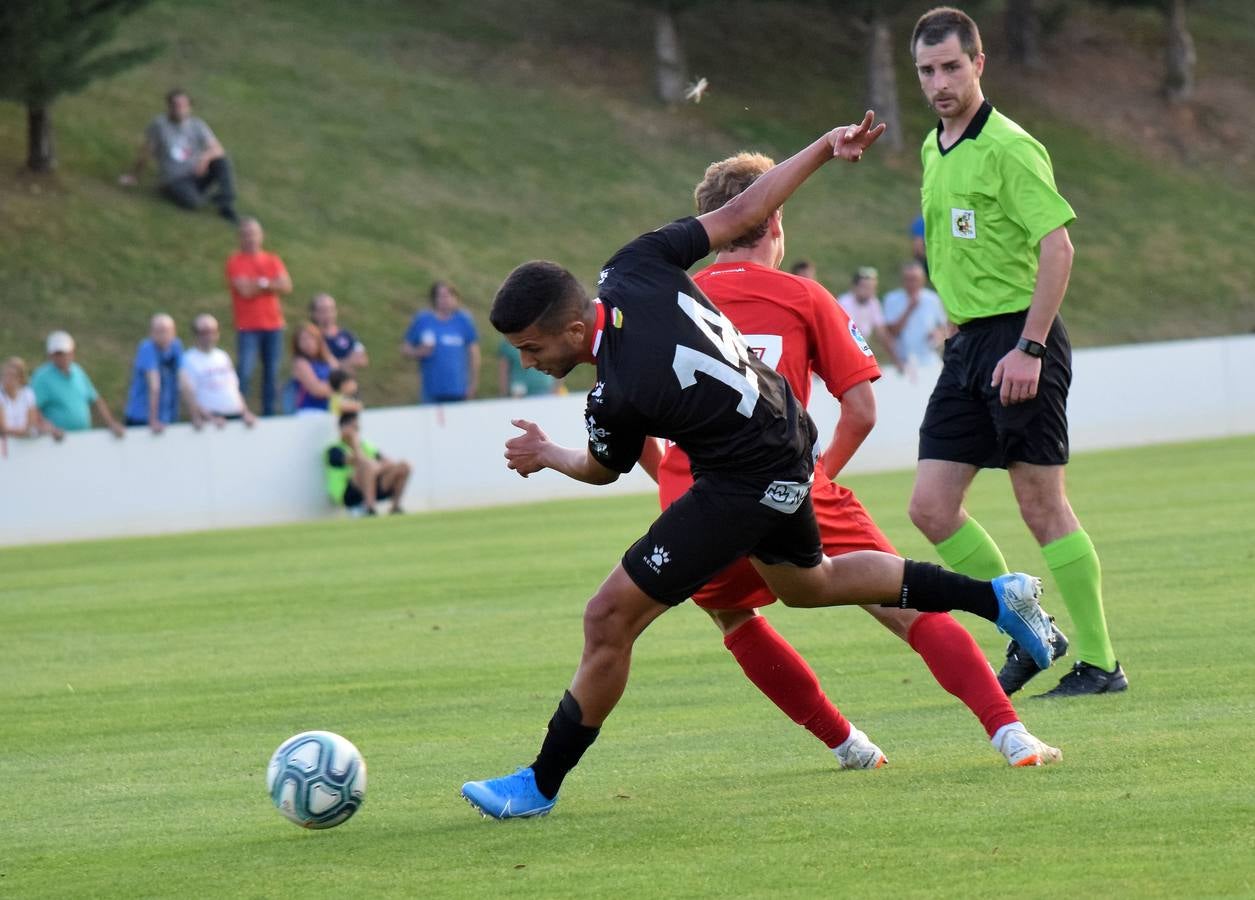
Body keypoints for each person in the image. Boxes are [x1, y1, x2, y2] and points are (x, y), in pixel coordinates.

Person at [460, 111, 1058, 820]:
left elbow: (601, 468)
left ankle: (539, 783)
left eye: (531, 349)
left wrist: (544, 456)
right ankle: (998, 596)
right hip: (787, 442)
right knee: (812, 585)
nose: (530, 364)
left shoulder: (617, 392)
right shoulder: (633, 264)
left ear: (568, 328)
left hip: (737, 481)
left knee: (608, 617)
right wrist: (824, 149)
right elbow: (744, 208)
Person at [640, 150, 1055, 770]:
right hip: (790, 483)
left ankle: (849, 745)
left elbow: (641, 421)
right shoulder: (803, 296)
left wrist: (674, 480)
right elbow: (860, 410)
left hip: (697, 494)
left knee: (733, 615)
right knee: (904, 599)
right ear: (774, 220)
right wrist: (812, 478)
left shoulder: (666, 303)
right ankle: (1010, 733)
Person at [908, 7, 1125, 697]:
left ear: (978, 64)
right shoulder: (930, 146)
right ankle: (1029, 628)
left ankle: (1099, 662)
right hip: (968, 344)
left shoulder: (1008, 144)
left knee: (1040, 504)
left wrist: (1029, 345)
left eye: (950, 66)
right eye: (925, 70)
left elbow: (1056, 245)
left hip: (1020, 340)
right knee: (930, 508)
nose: (939, 82)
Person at [118, 88, 237, 223]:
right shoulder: (159, 125)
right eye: (175, 105)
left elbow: (218, 149)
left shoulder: (197, 125)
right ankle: (193, 195)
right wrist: (134, 176)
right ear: (169, 106)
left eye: (183, 105)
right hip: (176, 179)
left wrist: (205, 158)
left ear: (189, 107)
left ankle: (226, 204)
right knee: (194, 203)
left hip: (196, 173)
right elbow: (146, 153)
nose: (179, 109)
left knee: (222, 161)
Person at [226, 217, 292, 416]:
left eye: (254, 233)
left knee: (271, 374)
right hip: (248, 326)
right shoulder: (235, 262)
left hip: (273, 325)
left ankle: (269, 414)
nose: (251, 238)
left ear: (261, 236)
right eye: (246, 234)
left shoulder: (272, 259)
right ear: (240, 238)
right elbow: (244, 290)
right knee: (245, 372)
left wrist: (259, 284)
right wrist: (269, 284)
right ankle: (238, 412)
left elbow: (287, 286)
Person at [31, 332, 125, 437]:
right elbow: (32, 408)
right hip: (55, 441)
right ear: (50, 356)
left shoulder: (78, 371)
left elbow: (96, 400)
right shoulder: (42, 377)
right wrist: (48, 427)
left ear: (72, 353)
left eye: (64, 353)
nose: (62, 357)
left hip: (82, 437)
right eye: (58, 354)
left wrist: (111, 423)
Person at [402, 281, 480, 403]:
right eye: (441, 296)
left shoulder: (463, 320)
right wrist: (419, 352)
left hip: (459, 389)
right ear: (434, 299)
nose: (446, 299)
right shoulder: (423, 320)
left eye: (449, 295)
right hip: (431, 391)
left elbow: (474, 353)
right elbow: (405, 348)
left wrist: (473, 383)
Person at [325, 411, 411, 515]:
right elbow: (360, 462)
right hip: (348, 493)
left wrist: (376, 467)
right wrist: (354, 443)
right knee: (367, 466)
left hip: (373, 485)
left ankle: (395, 507)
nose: (356, 432)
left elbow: (389, 463)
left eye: (357, 428)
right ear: (343, 429)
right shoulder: (334, 449)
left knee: (404, 466)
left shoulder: (366, 445)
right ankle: (370, 509)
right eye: (353, 428)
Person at [179, 314, 256, 428]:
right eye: (204, 332)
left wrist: (245, 412)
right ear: (196, 334)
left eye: (213, 331)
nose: (209, 336)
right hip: (211, 420)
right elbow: (188, 394)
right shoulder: (188, 359)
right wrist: (209, 418)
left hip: (235, 415)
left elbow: (233, 387)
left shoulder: (222, 356)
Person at [882, 260, 948, 371]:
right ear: (903, 280)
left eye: (915, 279)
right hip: (902, 361)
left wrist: (938, 335)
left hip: (929, 360)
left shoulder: (932, 299)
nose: (912, 283)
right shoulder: (892, 299)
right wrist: (909, 309)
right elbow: (891, 332)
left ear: (922, 280)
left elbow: (944, 327)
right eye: (908, 279)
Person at [123, 314, 184, 433]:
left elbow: (184, 381)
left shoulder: (176, 347)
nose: (163, 335)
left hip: (168, 417)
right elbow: (154, 385)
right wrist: (153, 420)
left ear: (174, 332)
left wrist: (196, 415)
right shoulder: (147, 348)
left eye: (166, 331)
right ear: (151, 333)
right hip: (141, 418)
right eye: (158, 331)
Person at [837, 266, 904, 371]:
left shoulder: (873, 302)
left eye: (872, 288)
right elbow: (848, 335)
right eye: (865, 287)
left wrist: (897, 361)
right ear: (854, 287)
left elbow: (882, 333)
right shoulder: (844, 303)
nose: (869, 291)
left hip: (859, 352)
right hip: (843, 352)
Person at [1, 357, 62, 440]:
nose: (8, 379)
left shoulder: (27, 394)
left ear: (19, 378)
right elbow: (3, 428)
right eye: (5, 375)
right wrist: (24, 432)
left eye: (12, 376)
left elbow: (31, 422)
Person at [310, 293, 369, 373]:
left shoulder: (347, 334)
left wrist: (338, 364)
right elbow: (320, 367)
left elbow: (363, 360)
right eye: (323, 310)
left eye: (331, 309)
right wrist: (349, 362)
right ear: (314, 313)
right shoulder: (311, 338)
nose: (328, 314)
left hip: (348, 383)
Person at [289, 324, 337, 416]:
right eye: (303, 340)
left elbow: (344, 381)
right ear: (297, 344)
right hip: (310, 413)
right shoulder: (300, 363)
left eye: (311, 338)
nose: (308, 343)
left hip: (331, 411)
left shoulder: (328, 359)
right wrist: (338, 388)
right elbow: (317, 390)